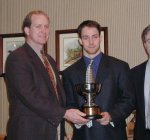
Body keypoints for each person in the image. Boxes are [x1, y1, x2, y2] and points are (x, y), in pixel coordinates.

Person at [5, 10, 81, 140]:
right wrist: (64, 113)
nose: (43, 30)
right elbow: (29, 95)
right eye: (38, 26)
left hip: (52, 130)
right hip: (29, 132)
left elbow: (57, 97)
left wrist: (62, 128)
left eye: (46, 26)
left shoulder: (49, 59)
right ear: (27, 30)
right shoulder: (17, 58)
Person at [62, 20, 134, 140]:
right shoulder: (69, 73)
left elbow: (129, 99)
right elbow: (69, 104)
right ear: (80, 40)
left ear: (100, 37)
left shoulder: (120, 67)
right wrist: (77, 120)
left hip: (112, 134)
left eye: (94, 37)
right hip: (83, 135)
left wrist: (112, 115)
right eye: (86, 37)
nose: (91, 42)